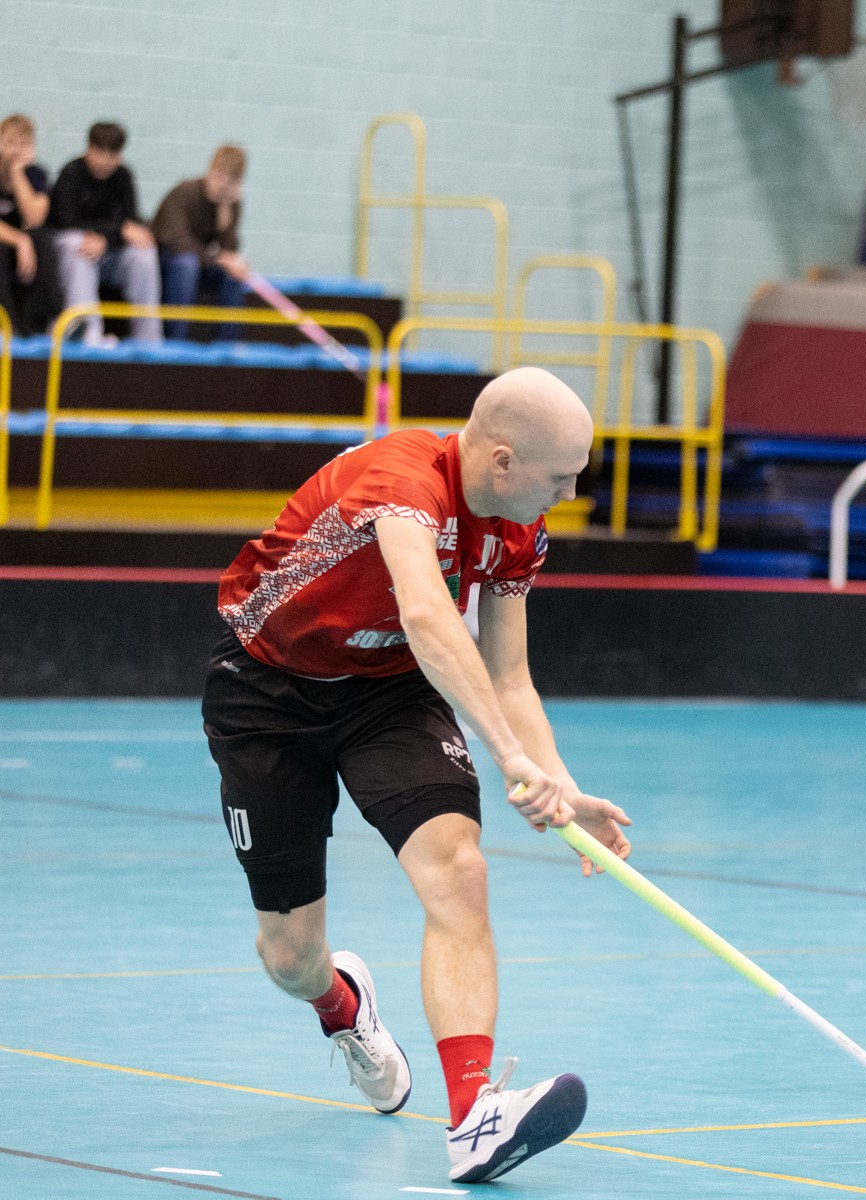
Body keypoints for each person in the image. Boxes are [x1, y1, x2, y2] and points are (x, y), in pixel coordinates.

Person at [202, 368, 630, 1185]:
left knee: (460, 870)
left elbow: (509, 674)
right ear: (502, 461)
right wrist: (509, 758)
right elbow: (429, 615)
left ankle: (473, 1116)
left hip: (389, 694)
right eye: (562, 476)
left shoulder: (517, 530)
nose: (570, 493)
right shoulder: (402, 481)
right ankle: (341, 1006)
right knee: (291, 958)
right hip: (266, 692)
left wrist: (560, 786)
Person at [50, 121, 160, 346]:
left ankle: (149, 340)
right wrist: (113, 232)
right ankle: (89, 334)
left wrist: (107, 240)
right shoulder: (71, 173)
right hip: (72, 251)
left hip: (108, 252)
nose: (106, 162)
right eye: (101, 153)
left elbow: (130, 225)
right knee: (79, 244)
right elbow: (66, 221)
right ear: (89, 149)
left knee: (144, 253)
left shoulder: (123, 176)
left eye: (113, 155)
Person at [154, 143, 250, 340]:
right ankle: (176, 341)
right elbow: (179, 242)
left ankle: (227, 345)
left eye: (230, 182)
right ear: (210, 170)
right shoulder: (185, 191)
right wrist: (217, 259)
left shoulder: (230, 203)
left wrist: (226, 215)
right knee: (187, 264)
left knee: (233, 274)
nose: (222, 186)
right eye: (218, 177)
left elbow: (229, 250)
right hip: (166, 259)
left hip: (200, 262)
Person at [0, 113, 62, 335]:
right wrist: (19, 240)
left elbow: (34, 220)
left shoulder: (36, 174)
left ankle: (44, 322)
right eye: (11, 143)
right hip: (6, 244)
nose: (16, 150)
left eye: (23, 144)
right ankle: (6, 324)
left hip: (25, 247)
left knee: (44, 240)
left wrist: (18, 174)